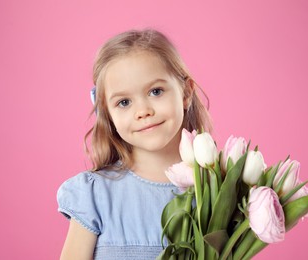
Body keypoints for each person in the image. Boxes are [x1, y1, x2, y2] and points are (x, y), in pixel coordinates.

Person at [57, 29, 212, 260]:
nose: (143, 111)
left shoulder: (215, 190)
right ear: (108, 114)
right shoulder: (96, 194)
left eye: (156, 91)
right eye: (124, 102)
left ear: (186, 93)